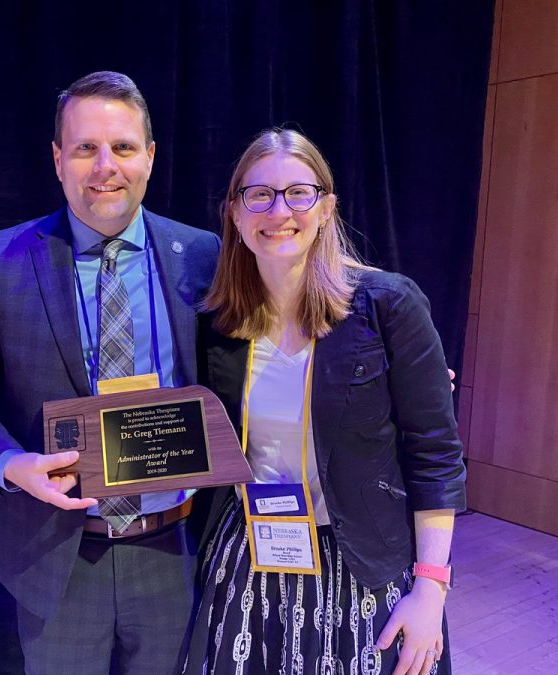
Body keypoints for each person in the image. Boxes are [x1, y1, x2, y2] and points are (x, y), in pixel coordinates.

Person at [0, 71, 220, 674]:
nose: (105, 165)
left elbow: (266, 351)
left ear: (150, 158)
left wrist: (375, 373)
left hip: (174, 550)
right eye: (85, 148)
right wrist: (9, 464)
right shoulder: (2, 261)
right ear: (59, 160)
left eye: (123, 147)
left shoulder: (204, 254)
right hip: (57, 555)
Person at [181, 129, 466, 675]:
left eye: (298, 193)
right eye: (258, 194)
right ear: (236, 215)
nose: (279, 210)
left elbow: (435, 454)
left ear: (326, 207)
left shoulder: (388, 306)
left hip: (362, 560)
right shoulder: (217, 325)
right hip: (250, 555)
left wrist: (431, 589)